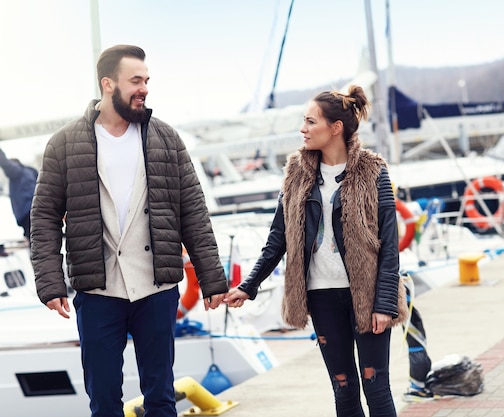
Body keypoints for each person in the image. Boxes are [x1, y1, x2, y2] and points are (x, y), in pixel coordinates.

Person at [30, 44, 228, 417]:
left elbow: (194, 213)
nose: (144, 88)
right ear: (108, 84)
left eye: (147, 80)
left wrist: (212, 279)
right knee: (104, 400)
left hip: (157, 287)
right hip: (98, 289)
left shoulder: (166, 139)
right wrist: (50, 282)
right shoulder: (64, 144)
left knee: (161, 397)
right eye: (135, 80)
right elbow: (43, 218)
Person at [225, 85, 408, 417]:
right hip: (321, 295)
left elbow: (389, 245)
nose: (303, 129)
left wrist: (384, 304)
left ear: (335, 128)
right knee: (344, 388)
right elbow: (277, 238)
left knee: (375, 385)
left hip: (366, 295)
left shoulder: (373, 170)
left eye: (310, 122)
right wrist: (247, 286)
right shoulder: (296, 172)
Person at [0, 148, 38, 240]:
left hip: (27, 212)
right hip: (37, 209)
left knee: (34, 242)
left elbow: (5, 163)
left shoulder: (16, 172)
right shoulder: (30, 171)